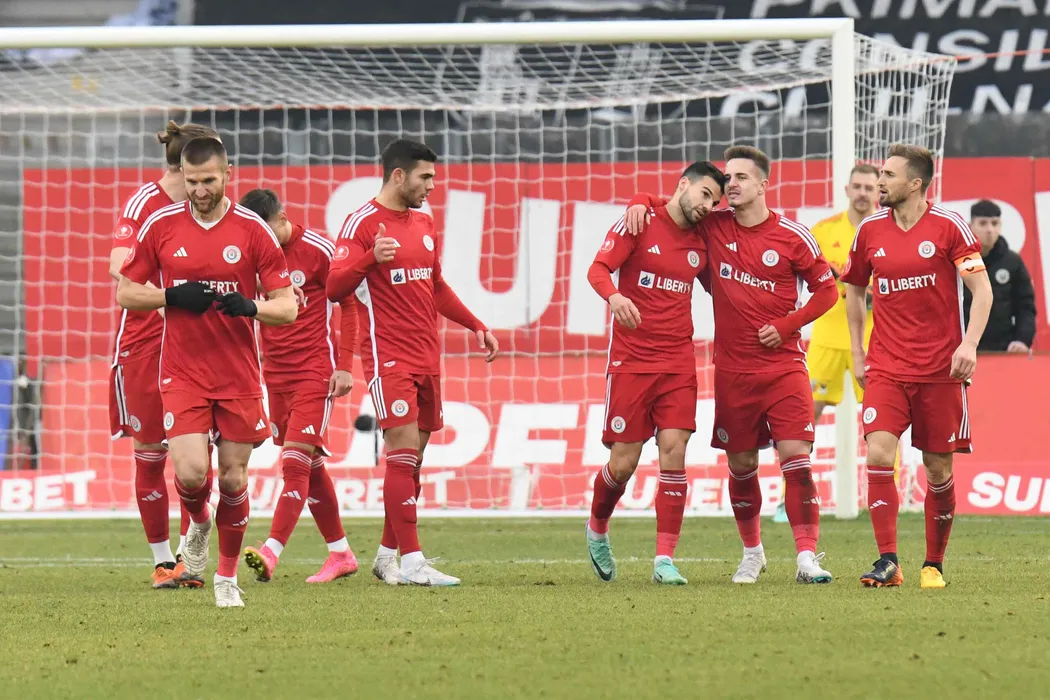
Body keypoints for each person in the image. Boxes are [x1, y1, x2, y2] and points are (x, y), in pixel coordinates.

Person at [625, 146, 839, 585]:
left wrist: (787, 325)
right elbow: (675, 203)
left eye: (741, 177)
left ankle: (806, 558)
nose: (732, 184)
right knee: (741, 465)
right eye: (728, 177)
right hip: (733, 372)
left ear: (763, 184)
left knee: (796, 457)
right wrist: (640, 200)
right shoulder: (713, 227)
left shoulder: (793, 235)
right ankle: (752, 554)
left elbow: (827, 292)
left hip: (783, 367)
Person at [117, 137, 298, 607]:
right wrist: (170, 296)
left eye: (209, 181)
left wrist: (252, 307)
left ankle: (225, 578)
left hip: (238, 374)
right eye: (192, 181)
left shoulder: (253, 230)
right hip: (182, 372)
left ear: (228, 174)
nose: (200, 190)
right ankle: (198, 520)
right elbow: (126, 292)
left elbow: (288, 307)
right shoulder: (160, 225)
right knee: (193, 473)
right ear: (182, 175)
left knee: (234, 478)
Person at [326, 139, 499, 587]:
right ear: (398, 175)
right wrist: (370, 258)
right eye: (425, 177)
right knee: (402, 456)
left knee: (413, 463)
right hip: (389, 356)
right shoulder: (361, 223)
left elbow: (436, 285)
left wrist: (475, 323)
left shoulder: (423, 221)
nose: (432, 186)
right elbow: (334, 287)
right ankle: (413, 562)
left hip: (427, 355)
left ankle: (387, 557)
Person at [842, 143, 992, 589]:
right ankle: (888, 561)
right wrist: (857, 352)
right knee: (879, 453)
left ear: (915, 183)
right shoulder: (869, 230)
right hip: (887, 365)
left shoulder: (949, 227)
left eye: (889, 175)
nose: (880, 181)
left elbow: (982, 291)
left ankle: (933, 564)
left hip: (941, 370)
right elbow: (854, 291)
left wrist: (969, 345)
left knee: (938, 469)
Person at [584, 161, 725, 586]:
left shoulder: (703, 238)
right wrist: (614, 297)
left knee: (674, 451)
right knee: (623, 463)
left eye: (715, 201)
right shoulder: (640, 220)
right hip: (632, 361)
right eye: (704, 194)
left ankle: (664, 559)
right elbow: (597, 269)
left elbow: (723, 285)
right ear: (683, 185)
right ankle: (597, 527)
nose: (708, 205)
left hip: (678, 362)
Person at [108, 120, 217, 590]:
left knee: (198, 459)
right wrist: (171, 297)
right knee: (150, 453)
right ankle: (162, 561)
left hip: (200, 344)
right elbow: (118, 266)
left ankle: (192, 548)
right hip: (147, 342)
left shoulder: (212, 207)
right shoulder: (145, 204)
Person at [236, 189, 359, 584]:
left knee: (293, 463)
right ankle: (341, 553)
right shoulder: (252, 254)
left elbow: (350, 305)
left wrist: (345, 367)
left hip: (314, 370)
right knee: (311, 465)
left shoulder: (319, 250)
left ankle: (271, 552)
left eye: (267, 233)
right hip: (275, 374)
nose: (263, 243)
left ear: (283, 218)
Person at [773, 164, 880, 524]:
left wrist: (867, 291)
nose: (863, 193)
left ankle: (885, 497)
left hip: (873, 340)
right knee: (805, 417)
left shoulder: (886, 231)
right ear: (847, 189)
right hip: (827, 339)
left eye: (869, 187)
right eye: (857, 186)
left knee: (881, 420)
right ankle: (789, 498)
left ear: (878, 193)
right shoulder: (823, 231)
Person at [964, 199, 1036, 353]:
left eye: (994, 223)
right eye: (983, 223)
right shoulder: (957, 261)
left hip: (1002, 349)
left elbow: (1025, 306)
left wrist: (1022, 340)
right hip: (963, 350)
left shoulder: (1012, 262)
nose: (989, 230)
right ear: (970, 226)